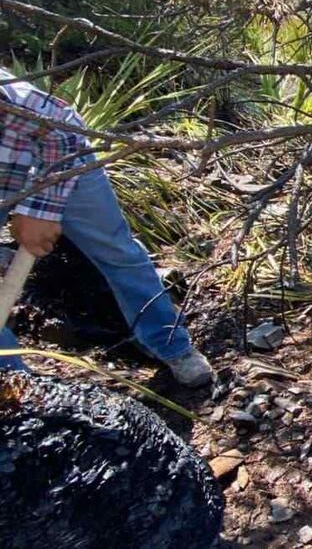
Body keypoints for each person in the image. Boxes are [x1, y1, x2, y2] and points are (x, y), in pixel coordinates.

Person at [0, 67, 214, 387]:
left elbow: (63, 131)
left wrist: (38, 210)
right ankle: (15, 384)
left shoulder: (14, 102)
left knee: (117, 251)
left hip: (62, 158)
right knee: (14, 393)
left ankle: (171, 345)